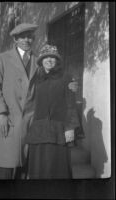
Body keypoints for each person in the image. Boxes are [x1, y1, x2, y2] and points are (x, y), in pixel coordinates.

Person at [0, 23, 39, 179]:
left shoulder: (38, 61)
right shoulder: (2, 59)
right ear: (15, 39)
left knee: (23, 169)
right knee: (6, 166)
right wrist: (0, 113)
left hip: (29, 121)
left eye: (30, 36)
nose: (27, 40)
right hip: (8, 120)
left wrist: (70, 84)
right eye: (23, 37)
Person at [24, 44, 80, 179]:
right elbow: (29, 101)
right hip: (39, 129)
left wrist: (70, 128)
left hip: (58, 130)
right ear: (41, 61)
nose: (49, 60)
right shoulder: (35, 79)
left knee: (57, 168)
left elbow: (70, 104)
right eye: (46, 57)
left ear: (57, 61)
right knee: (38, 169)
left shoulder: (66, 78)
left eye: (53, 58)